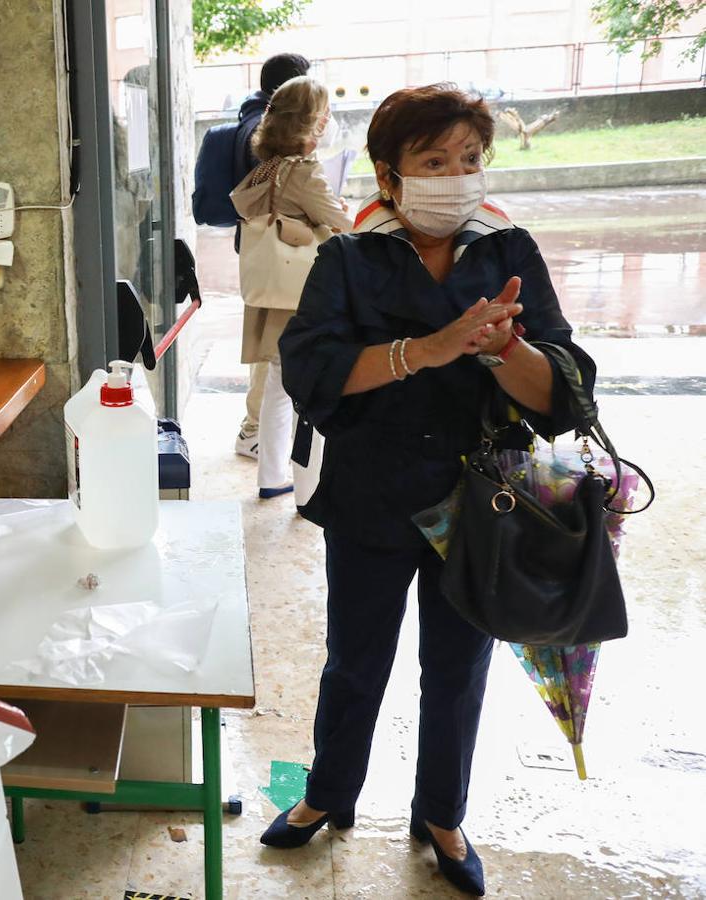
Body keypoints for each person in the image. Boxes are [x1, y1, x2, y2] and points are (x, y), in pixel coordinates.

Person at [265, 84, 596, 897]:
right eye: (435, 160)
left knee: (457, 667)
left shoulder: (507, 248)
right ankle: (325, 796)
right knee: (355, 662)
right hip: (371, 494)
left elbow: (565, 387)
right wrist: (430, 348)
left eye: (470, 159)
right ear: (390, 172)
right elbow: (311, 370)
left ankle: (442, 817)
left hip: (481, 499)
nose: (457, 175)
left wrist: (500, 352)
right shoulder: (350, 255)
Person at [230, 76, 351, 499]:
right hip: (302, 296)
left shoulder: (266, 167)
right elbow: (343, 224)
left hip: (273, 293)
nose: (329, 124)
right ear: (311, 123)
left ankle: (271, 478)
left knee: (280, 390)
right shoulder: (304, 172)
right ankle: (307, 490)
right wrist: (338, 212)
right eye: (325, 116)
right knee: (307, 393)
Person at [231, 53, 311, 461]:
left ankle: (255, 431)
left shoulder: (248, 127)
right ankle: (254, 432)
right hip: (284, 262)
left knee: (267, 353)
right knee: (272, 359)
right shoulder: (276, 144)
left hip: (260, 253)